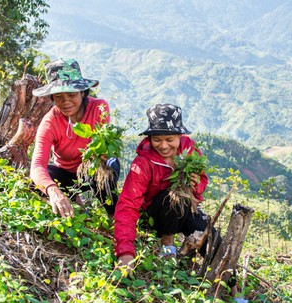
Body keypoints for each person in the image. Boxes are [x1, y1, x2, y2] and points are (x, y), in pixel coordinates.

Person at [114, 103, 209, 269]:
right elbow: (128, 204)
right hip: (154, 218)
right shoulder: (143, 163)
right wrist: (125, 252)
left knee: (210, 237)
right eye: (157, 140)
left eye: (169, 140)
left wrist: (196, 184)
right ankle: (167, 242)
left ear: (180, 136)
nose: (164, 146)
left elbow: (202, 182)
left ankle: (234, 290)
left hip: (182, 211)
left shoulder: (190, 150)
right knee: (176, 195)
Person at [30, 58, 120, 218]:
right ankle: (74, 204)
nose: (66, 102)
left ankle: (115, 216)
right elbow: (37, 166)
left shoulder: (99, 108)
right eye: (58, 96)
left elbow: (101, 147)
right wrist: (52, 190)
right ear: (52, 97)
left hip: (91, 168)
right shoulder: (50, 122)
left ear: (83, 92)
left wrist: (103, 155)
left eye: (72, 94)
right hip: (66, 174)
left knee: (102, 172)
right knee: (35, 184)